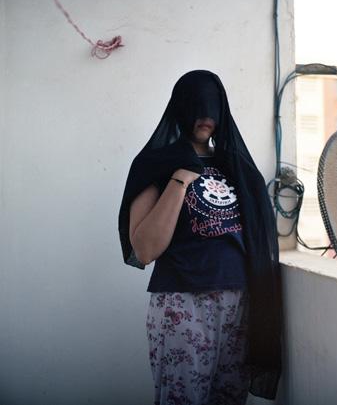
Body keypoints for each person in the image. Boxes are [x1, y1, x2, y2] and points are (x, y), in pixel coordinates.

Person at [118, 70, 282, 405]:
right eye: (197, 104)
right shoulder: (156, 163)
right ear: (180, 107)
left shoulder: (236, 166)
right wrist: (180, 180)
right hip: (183, 302)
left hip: (239, 302)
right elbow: (145, 250)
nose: (206, 114)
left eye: (213, 105)